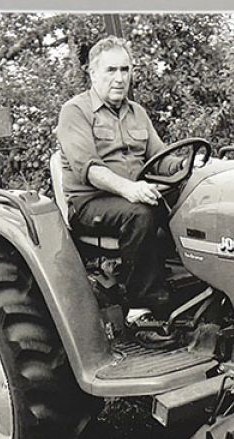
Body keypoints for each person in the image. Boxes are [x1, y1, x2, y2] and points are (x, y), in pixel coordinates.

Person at [56, 35, 185, 326]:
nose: (119, 78)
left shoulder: (137, 113)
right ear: (92, 73)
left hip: (133, 197)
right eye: (111, 70)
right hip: (90, 204)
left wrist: (195, 165)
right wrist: (129, 188)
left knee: (192, 202)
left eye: (125, 70)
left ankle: (199, 292)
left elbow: (162, 159)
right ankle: (141, 310)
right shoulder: (75, 112)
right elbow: (87, 168)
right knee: (141, 214)